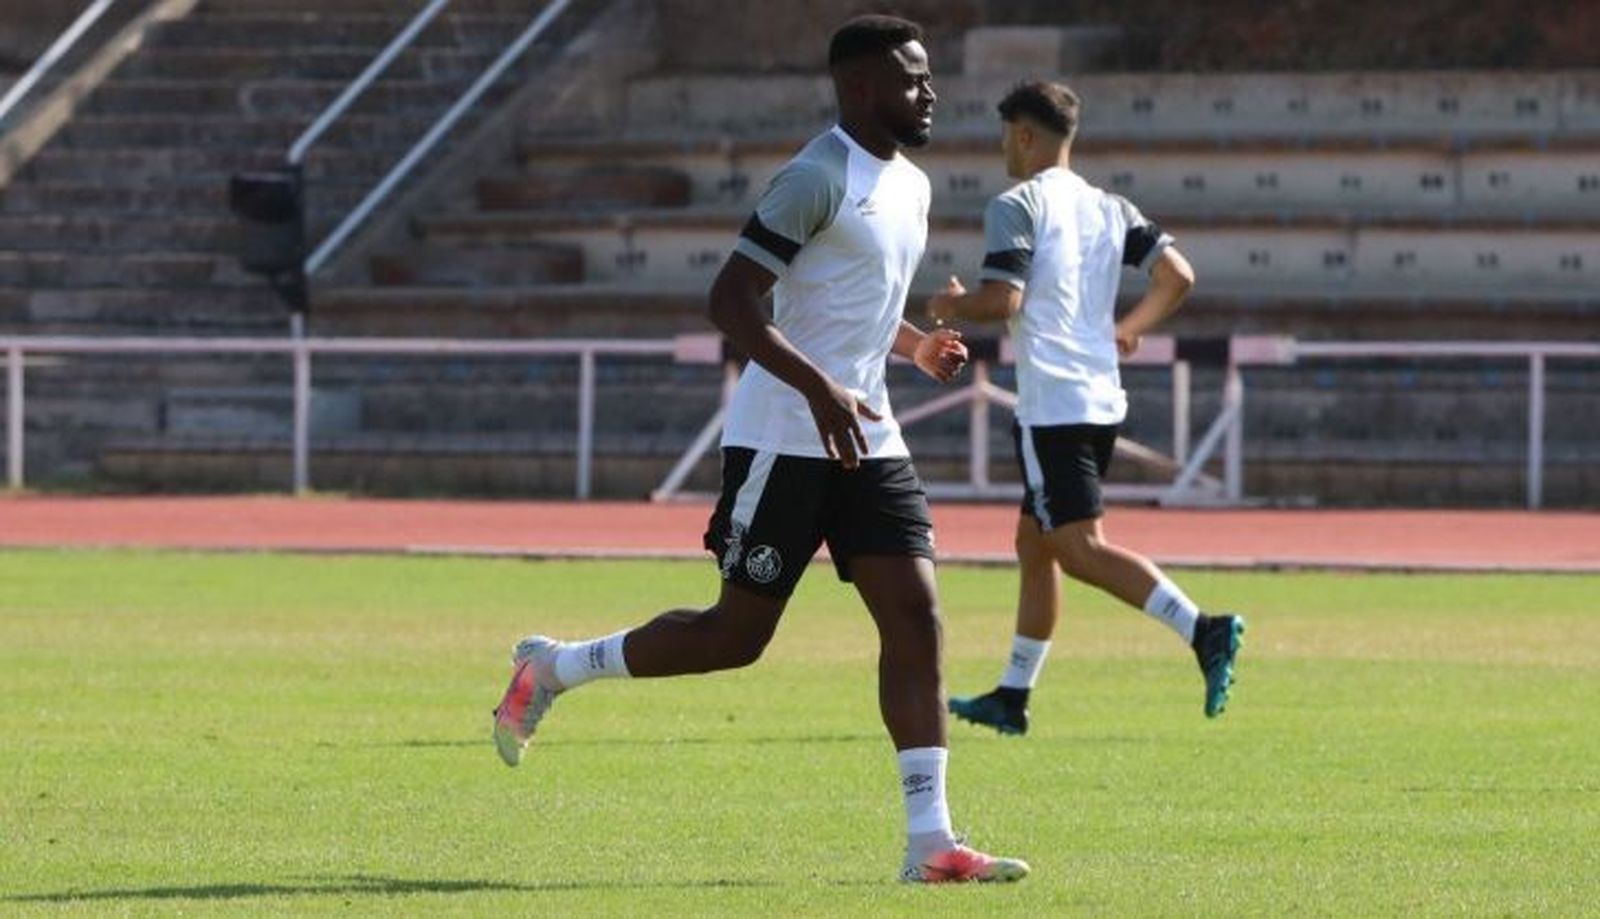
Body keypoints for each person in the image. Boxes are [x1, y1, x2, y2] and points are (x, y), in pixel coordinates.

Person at [492, 15, 1029, 884]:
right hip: (785, 435)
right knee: (735, 636)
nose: (928, 92)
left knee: (917, 614)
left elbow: (846, 297)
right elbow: (733, 299)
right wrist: (817, 387)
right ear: (858, 88)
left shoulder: (914, 186)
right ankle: (553, 666)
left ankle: (929, 841)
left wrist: (912, 346)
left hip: (867, 432)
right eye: (910, 79)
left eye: (928, 78)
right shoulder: (813, 176)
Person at [927, 80, 1245, 737]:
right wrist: (1131, 326)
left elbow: (1003, 300)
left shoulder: (1017, 203)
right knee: (1034, 543)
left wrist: (948, 306)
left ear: (1023, 135)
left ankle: (1202, 628)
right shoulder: (1110, 206)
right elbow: (1177, 275)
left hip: (1054, 405)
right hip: (1101, 397)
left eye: (1004, 136)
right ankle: (1012, 695)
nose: (1003, 150)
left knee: (1077, 547)